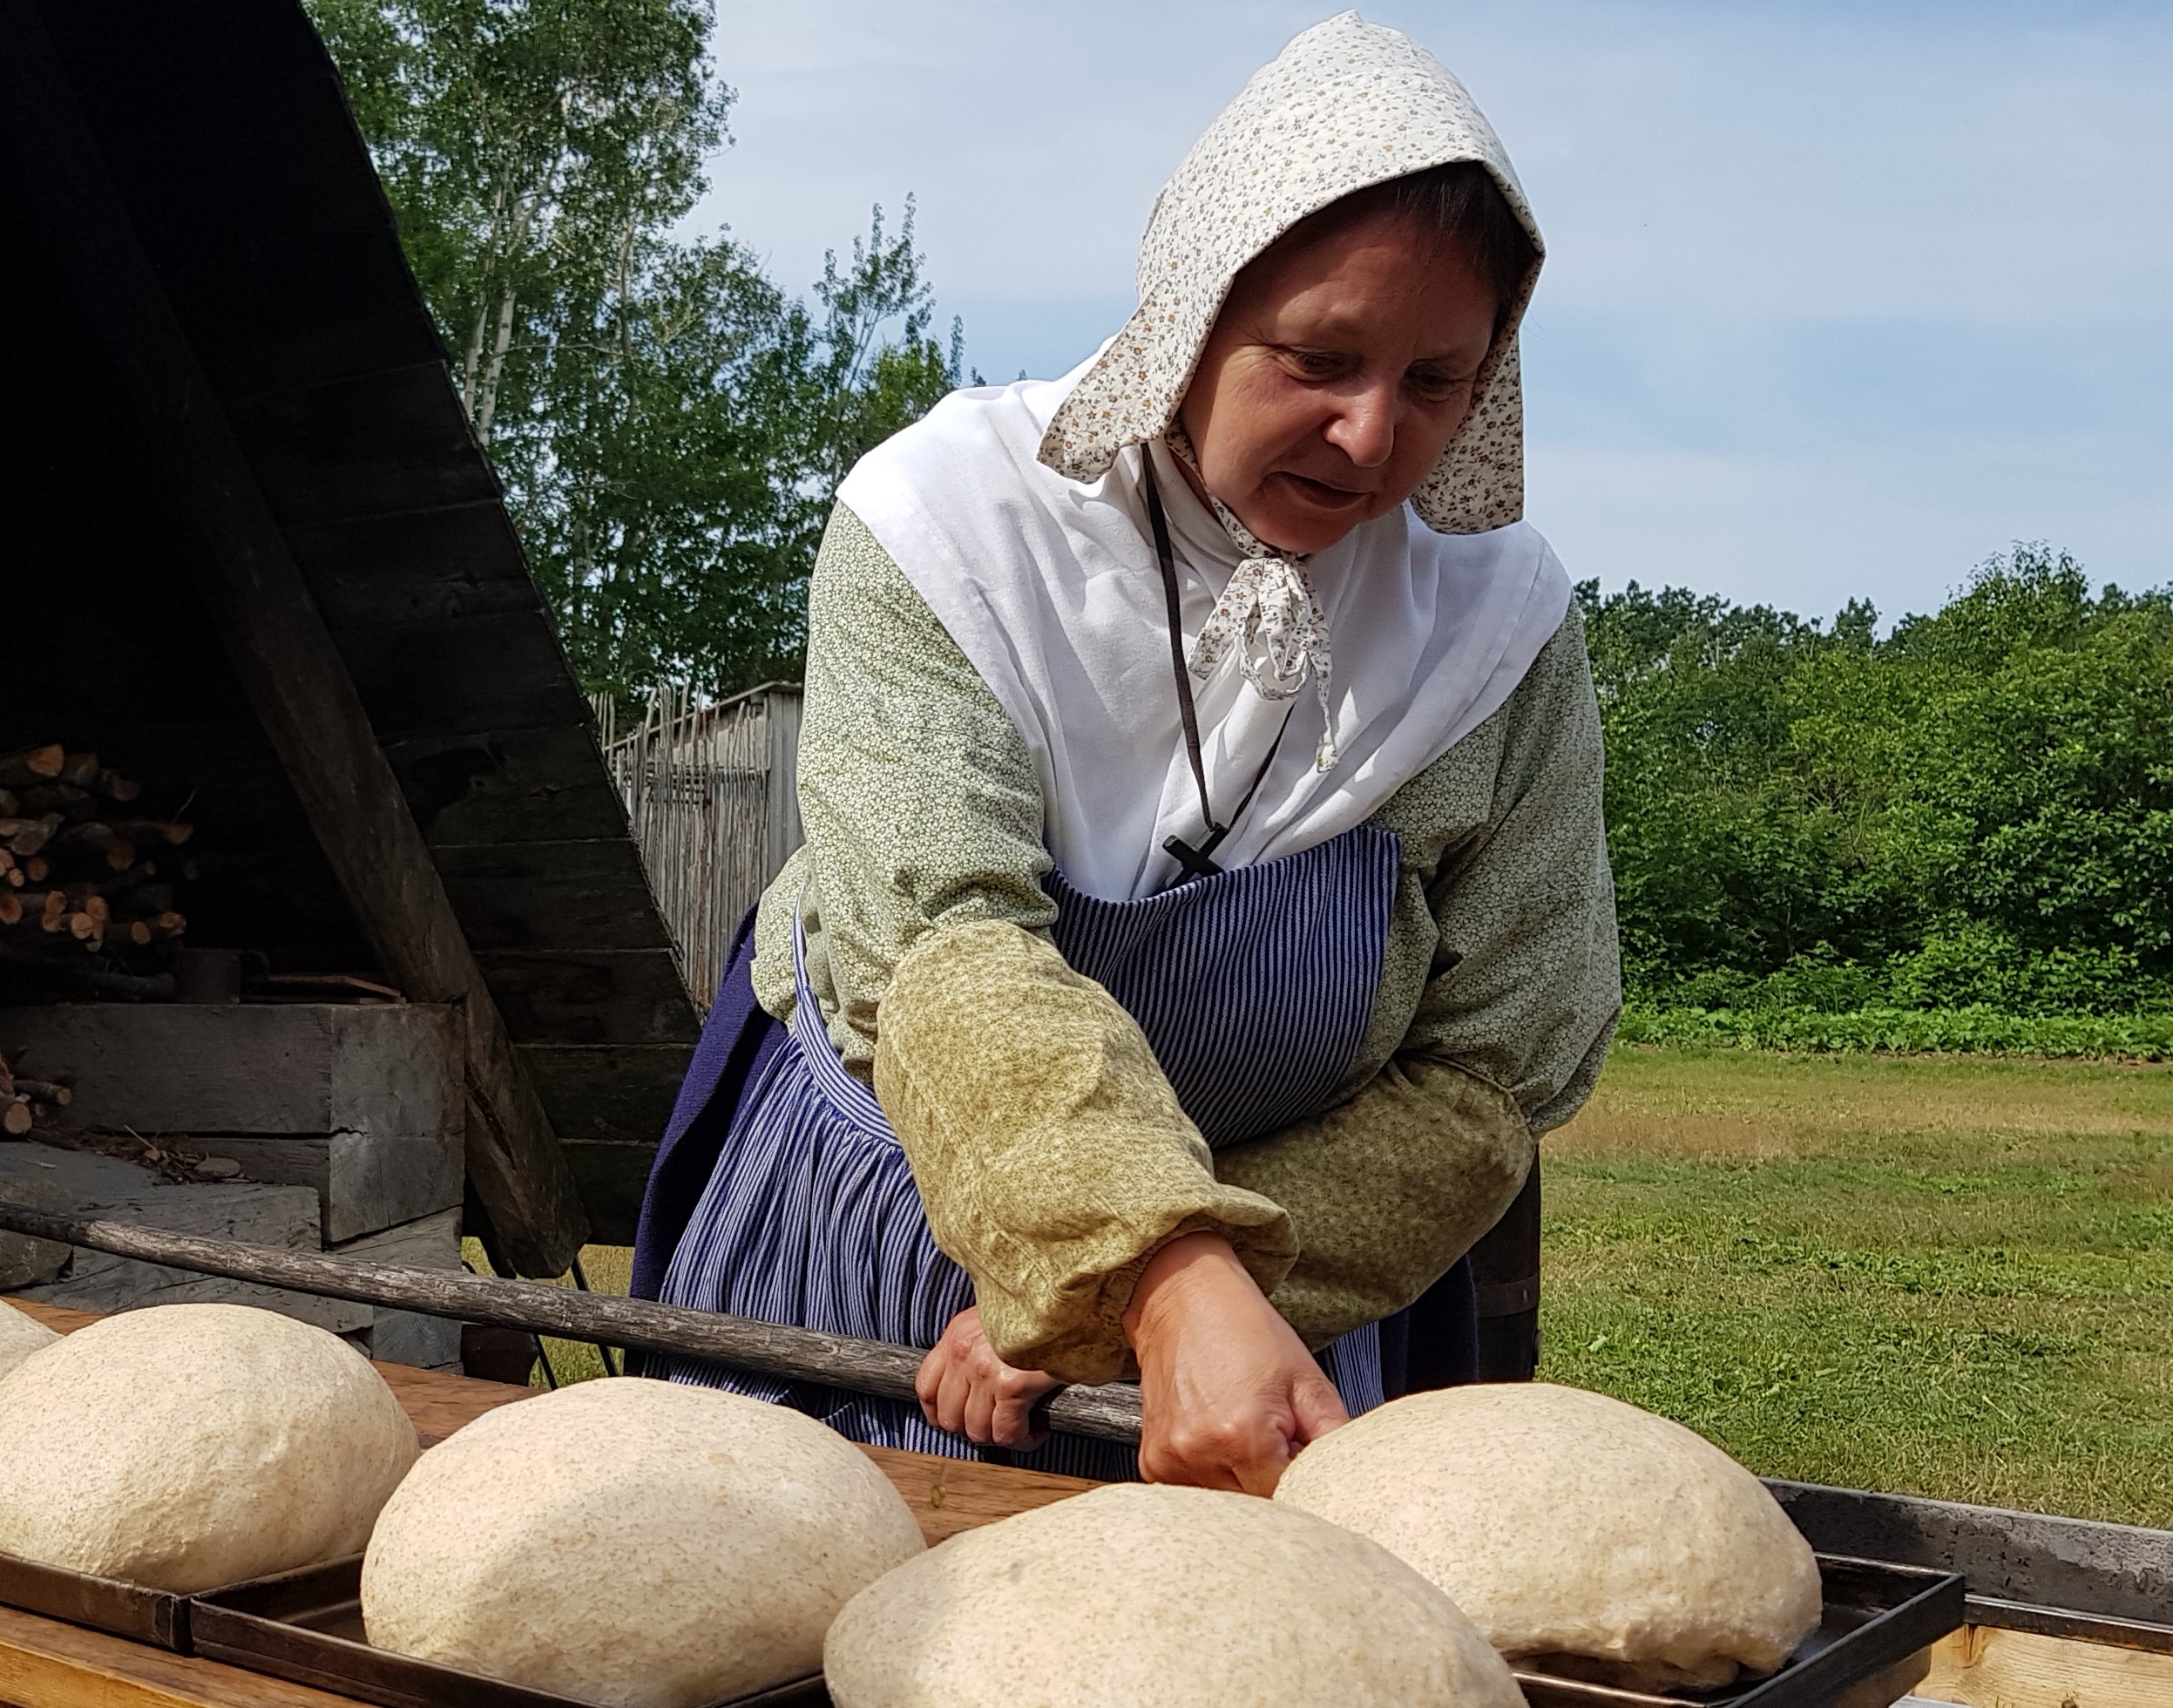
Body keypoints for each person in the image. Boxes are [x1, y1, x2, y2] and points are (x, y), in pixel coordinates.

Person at [629, 13, 1619, 1494]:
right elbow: (945, 949)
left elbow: (1491, 1074)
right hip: (891, 1226)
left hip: (1290, 1288)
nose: (1368, 439)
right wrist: (1147, 1275)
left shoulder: (1499, 632)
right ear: (1190, 312)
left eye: (1436, 380)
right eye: (1320, 357)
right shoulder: (954, 528)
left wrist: (1201, 1282)